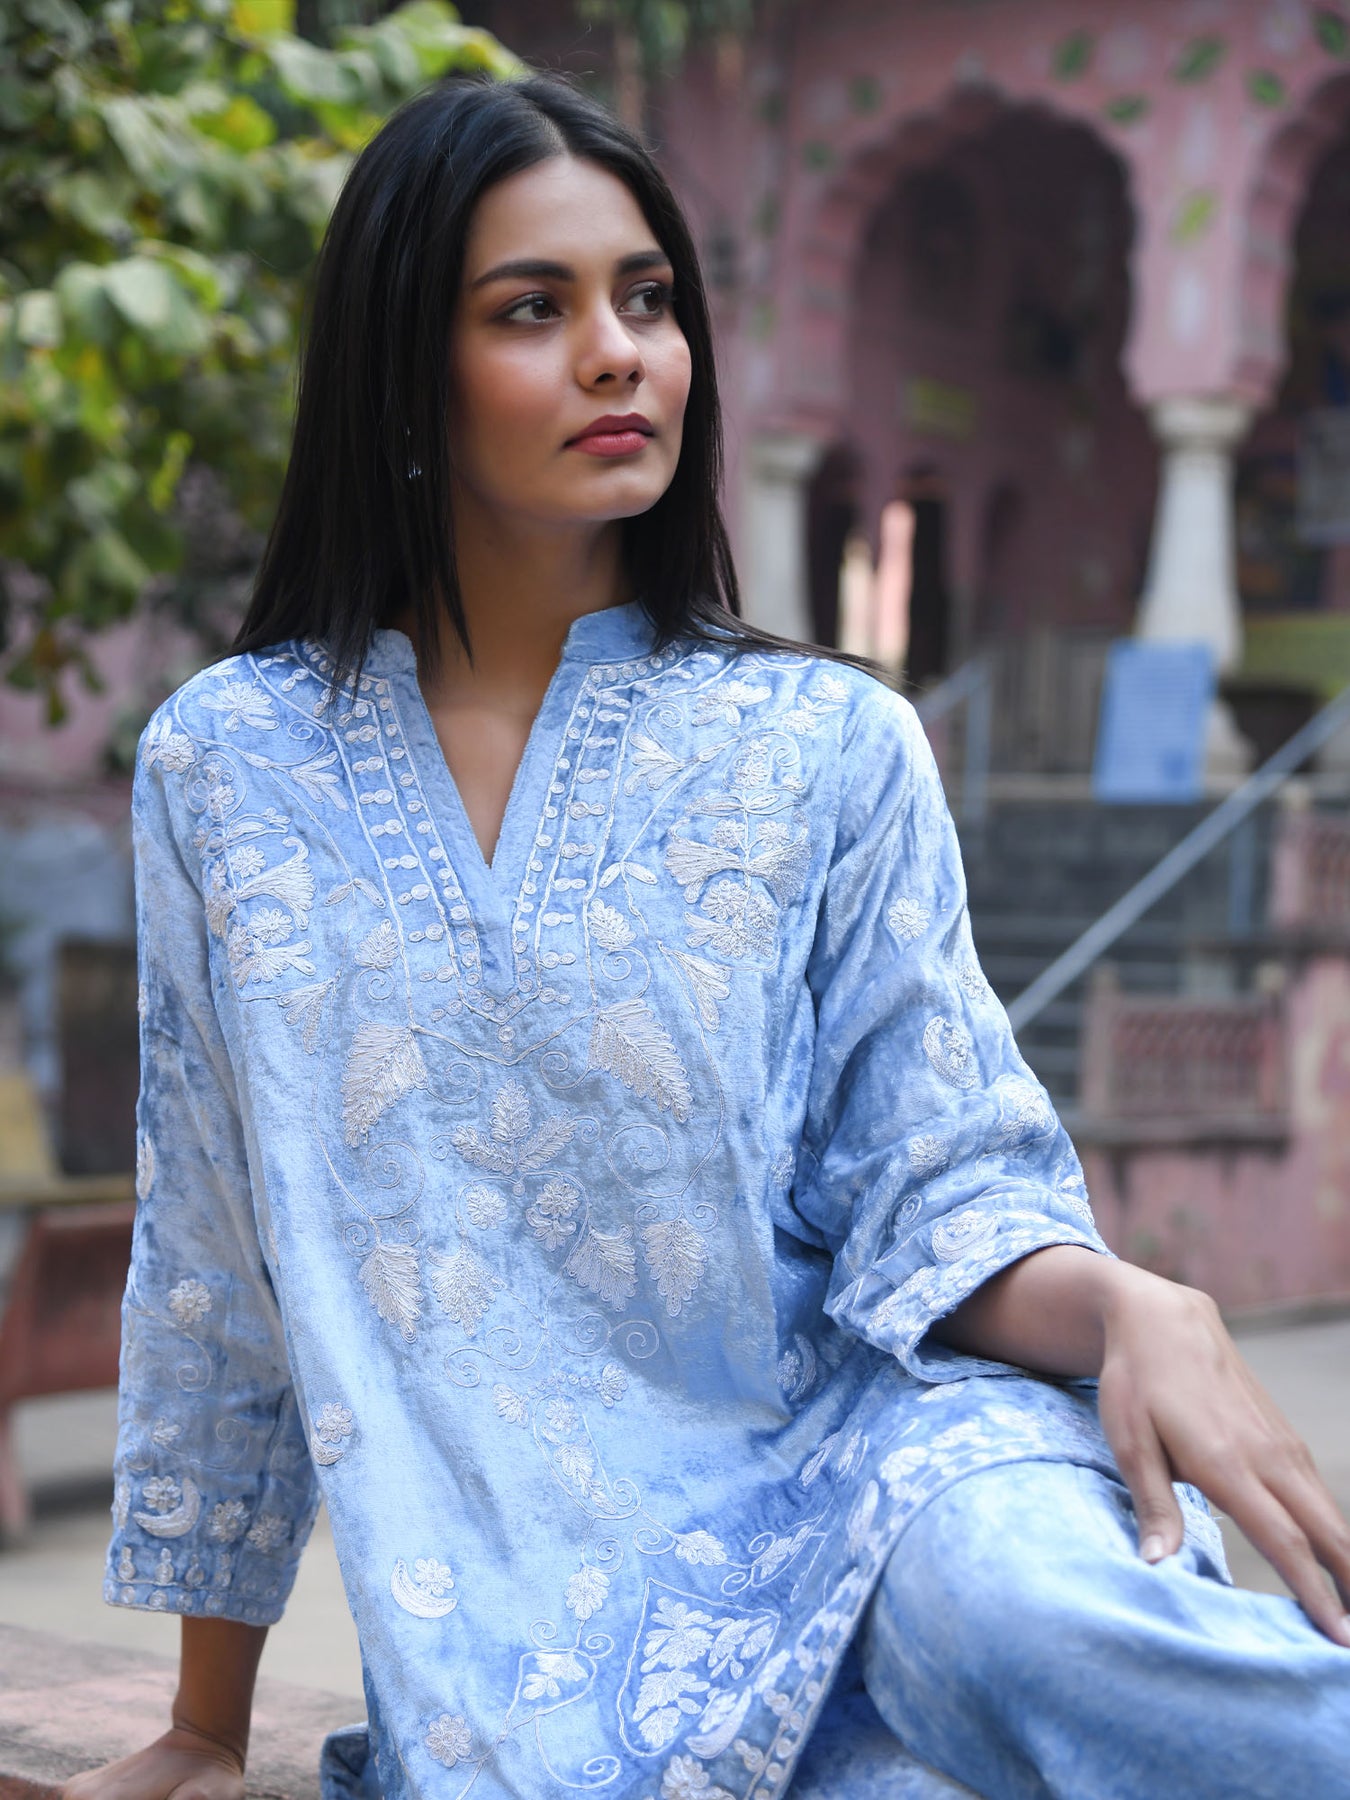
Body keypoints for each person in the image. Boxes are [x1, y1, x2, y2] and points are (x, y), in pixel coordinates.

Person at [67, 74, 1350, 1800]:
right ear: (400, 371)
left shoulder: (829, 744)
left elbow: (936, 1184)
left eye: (648, 299)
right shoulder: (228, 767)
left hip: (899, 1477)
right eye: (534, 309)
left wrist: (1134, 1302)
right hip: (542, 1639)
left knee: (1040, 1618)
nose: (620, 354)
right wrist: (203, 1728)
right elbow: (217, 1257)